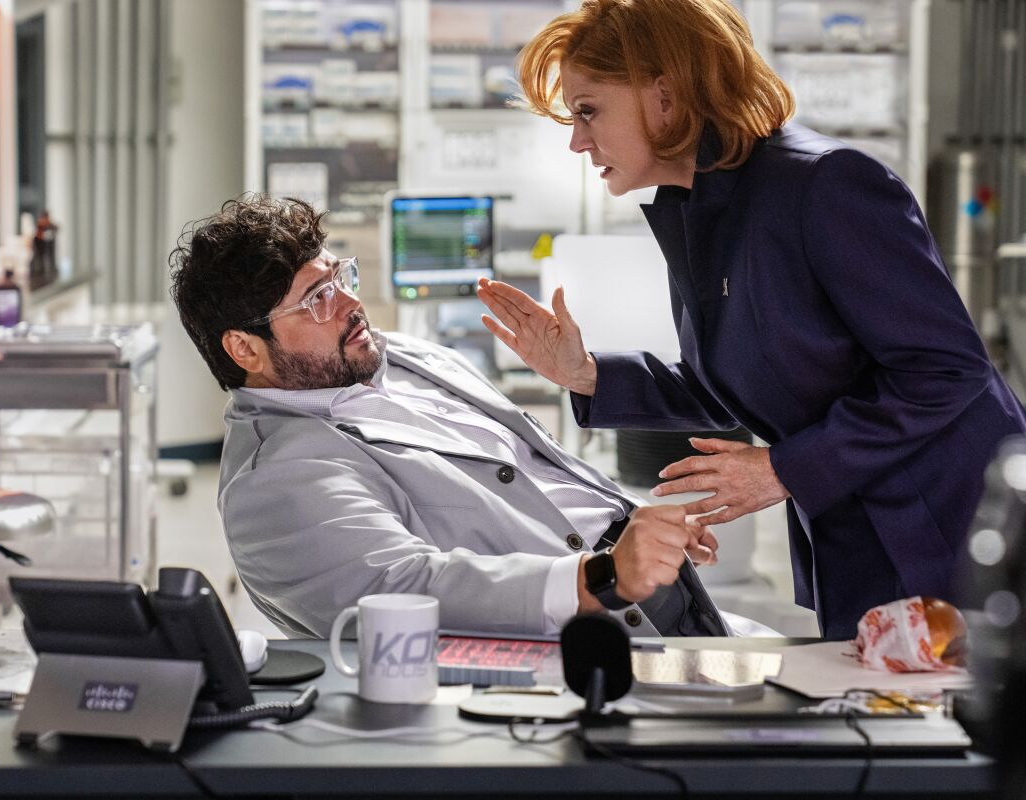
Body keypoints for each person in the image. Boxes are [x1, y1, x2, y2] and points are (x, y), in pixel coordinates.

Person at [476, 0, 1026, 640]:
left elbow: (947, 369)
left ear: (668, 94)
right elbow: (736, 379)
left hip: (952, 532)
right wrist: (588, 374)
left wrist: (782, 469)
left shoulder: (826, 184)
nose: (577, 139)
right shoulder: (705, 208)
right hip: (859, 535)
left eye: (589, 110)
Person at [169, 194, 743, 640]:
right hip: (592, 639)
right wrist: (603, 574)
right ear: (245, 349)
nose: (349, 303)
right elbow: (398, 588)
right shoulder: (273, 478)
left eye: (340, 277)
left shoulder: (405, 358)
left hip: (673, 594)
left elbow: (529, 470)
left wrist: (638, 524)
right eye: (317, 298)